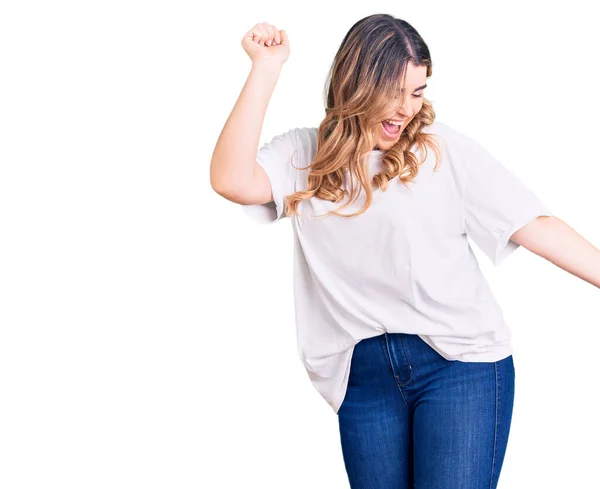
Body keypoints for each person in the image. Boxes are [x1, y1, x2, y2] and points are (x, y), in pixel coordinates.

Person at [210, 13, 600, 489]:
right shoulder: (305, 158)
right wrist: (265, 68)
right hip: (365, 379)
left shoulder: (439, 151)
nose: (405, 109)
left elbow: (531, 224)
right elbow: (231, 180)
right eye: (392, 92)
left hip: (460, 365)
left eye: (416, 92)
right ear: (355, 86)